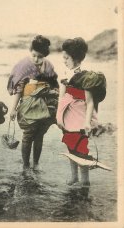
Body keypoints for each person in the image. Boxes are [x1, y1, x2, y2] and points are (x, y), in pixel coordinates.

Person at [56, 37, 106, 187]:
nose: (64, 61)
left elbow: (90, 102)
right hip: (68, 114)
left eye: (66, 58)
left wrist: (87, 122)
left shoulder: (86, 77)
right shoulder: (65, 74)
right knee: (70, 146)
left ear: (76, 58)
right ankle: (74, 177)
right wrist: (59, 115)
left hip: (80, 116)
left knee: (81, 149)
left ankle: (85, 181)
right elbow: (62, 96)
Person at [7, 35, 59, 171]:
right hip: (28, 105)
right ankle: (25, 165)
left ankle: (36, 164)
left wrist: (55, 94)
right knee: (28, 134)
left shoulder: (48, 66)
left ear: (45, 56)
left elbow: (54, 83)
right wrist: (13, 109)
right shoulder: (24, 66)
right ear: (31, 50)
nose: (36, 59)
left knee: (40, 135)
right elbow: (18, 89)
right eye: (34, 55)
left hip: (45, 104)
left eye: (40, 57)